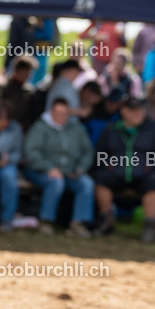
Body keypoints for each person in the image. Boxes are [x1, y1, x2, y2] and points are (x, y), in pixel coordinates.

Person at [93, 96, 155, 242]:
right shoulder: (112, 129)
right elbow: (99, 154)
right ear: (124, 111)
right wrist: (107, 166)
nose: (138, 113)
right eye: (133, 110)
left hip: (144, 175)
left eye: (141, 110)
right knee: (101, 177)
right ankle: (105, 221)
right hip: (116, 174)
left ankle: (149, 227)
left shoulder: (153, 128)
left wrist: (152, 167)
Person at [24, 98, 97, 237]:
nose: (60, 117)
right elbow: (31, 153)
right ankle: (46, 220)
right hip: (40, 170)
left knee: (86, 183)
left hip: (70, 171)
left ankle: (79, 223)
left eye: (64, 114)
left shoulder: (76, 128)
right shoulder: (40, 127)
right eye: (57, 113)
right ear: (51, 111)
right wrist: (49, 168)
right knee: (56, 182)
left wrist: (81, 168)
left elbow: (88, 151)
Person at [0, 56, 38, 130]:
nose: (28, 76)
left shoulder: (29, 91)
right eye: (26, 72)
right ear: (18, 71)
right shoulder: (4, 87)